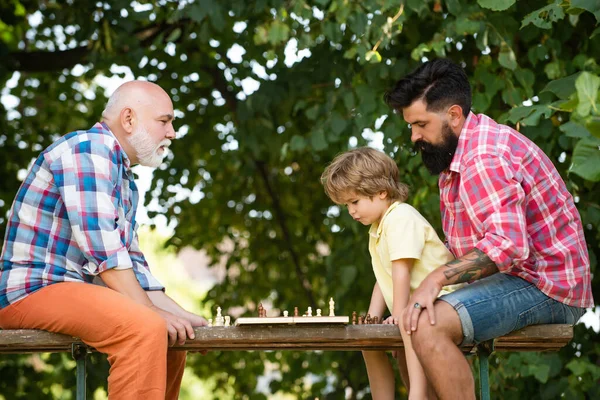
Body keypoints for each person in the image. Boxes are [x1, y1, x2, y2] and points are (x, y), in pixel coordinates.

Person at [382, 58, 594, 399]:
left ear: (453, 115)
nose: (414, 136)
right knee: (410, 321)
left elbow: (508, 245)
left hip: (547, 286)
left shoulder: (483, 157)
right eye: (411, 126)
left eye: (420, 124)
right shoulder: (460, 157)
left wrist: (435, 280)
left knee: (425, 325)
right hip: (517, 278)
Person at [0, 81, 207, 400]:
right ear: (128, 119)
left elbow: (133, 268)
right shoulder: (89, 149)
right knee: (145, 328)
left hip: (69, 288)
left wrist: (185, 318)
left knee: (172, 336)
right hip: (31, 290)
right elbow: (105, 255)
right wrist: (154, 313)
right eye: (164, 121)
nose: (172, 133)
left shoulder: (123, 177)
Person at [321, 147, 462, 400]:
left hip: (444, 299)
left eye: (355, 202)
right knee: (369, 341)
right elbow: (383, 275)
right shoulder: (378, 228)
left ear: (381, 192)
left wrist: (397, 313)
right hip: (417, 302)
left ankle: (416, 396)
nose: (351, 211)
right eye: (346, 205)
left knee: (410, 321)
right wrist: (372, 318)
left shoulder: (400, 218)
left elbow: (401, 270)